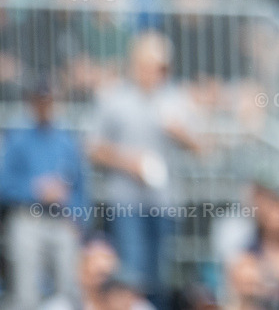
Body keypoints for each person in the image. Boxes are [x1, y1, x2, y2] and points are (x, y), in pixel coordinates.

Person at [87, 31, 202, 309]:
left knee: (160, 273)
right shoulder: (115, 98)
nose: (155, 72)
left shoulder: (176, 99)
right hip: (127, 200)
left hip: (164, 201)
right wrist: (129, 162)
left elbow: (201, 147)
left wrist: (180, 133)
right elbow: (93, 147)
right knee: (132, 271)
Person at [0, 78, 88, 309]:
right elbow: (4, 184)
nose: (44, 107)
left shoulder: (65, 140)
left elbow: (80, 184)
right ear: (31, 104)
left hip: (61, 219)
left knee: (68, 290)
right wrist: (34, 189)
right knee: (26, 293)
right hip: (27, 217)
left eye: (48, 101)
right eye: (39, 102)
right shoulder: (17, 138)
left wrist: (78, 218)